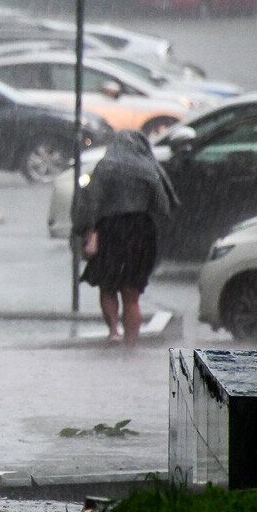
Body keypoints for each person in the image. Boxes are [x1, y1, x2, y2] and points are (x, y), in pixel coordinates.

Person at [72, 130, 178, 348]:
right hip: (140, 231)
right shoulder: (149, 169)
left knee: (108, 285)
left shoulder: (105, 167)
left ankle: (113, 331)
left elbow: (91, 202)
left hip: (110, 230)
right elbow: (163, 206)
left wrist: (85, 228)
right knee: (131, 294)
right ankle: (131, 343)